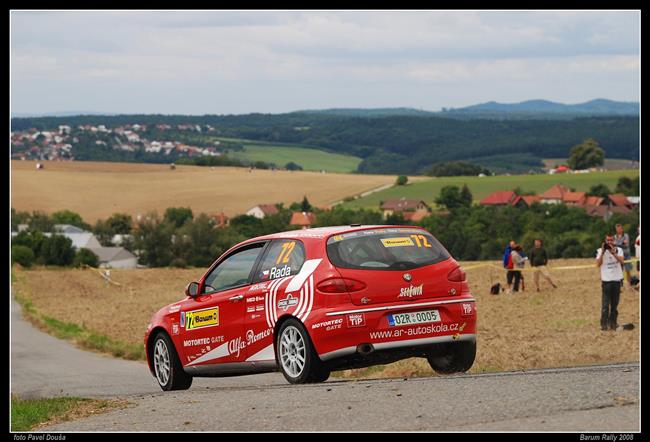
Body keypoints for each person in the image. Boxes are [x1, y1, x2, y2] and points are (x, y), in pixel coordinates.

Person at [596, 234, 625, 331]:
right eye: (608, 240)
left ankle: (613, 323)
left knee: (614, 305)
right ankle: (603, 325)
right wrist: (603, 252)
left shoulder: (619, 250)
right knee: (605, 305)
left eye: (611, 240)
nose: (609, 242)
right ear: (605, 241)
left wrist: (614, 253)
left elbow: (622, 262)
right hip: (606, 282)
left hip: (616, 281)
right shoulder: (600, 251)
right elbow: (598, 264)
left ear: (614, 240)